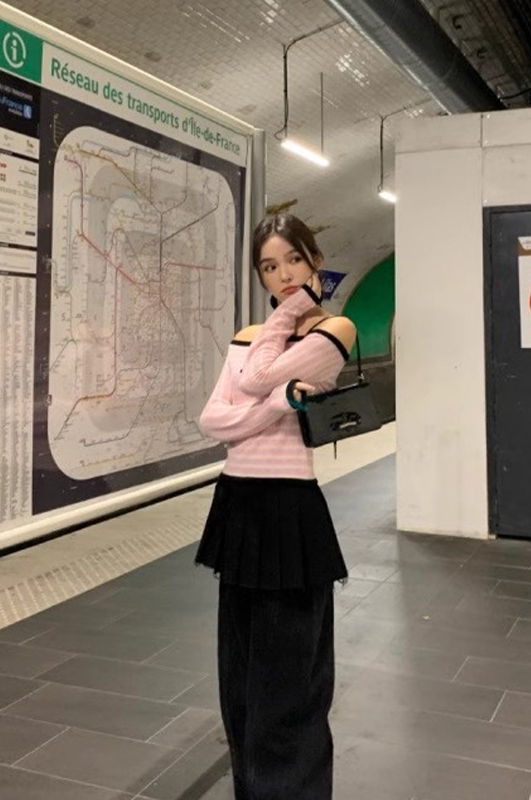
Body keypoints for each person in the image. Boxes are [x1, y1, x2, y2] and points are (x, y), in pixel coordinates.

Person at [195, 213, 357, 800]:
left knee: (290, 680)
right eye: (269, 266)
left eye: (293, 259)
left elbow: (254, 378)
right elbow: (213, 420)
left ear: (315, 261)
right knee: (238, 675)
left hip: (291, 511)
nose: (283, 275)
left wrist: (290, 313)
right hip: (238, 502)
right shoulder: (246, 334)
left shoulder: (335, 329)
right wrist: (279, 404)